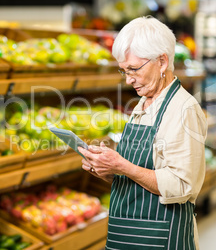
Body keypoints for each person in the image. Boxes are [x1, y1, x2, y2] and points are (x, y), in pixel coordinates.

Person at [78, 16, 207, 250]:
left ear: (162, 62)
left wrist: (123, 166)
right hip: (126, 234)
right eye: (124, 71)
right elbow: (142, 174)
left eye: (134, 69)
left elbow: (181, 185)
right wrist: (109, 170)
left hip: (161, 237)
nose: (129, 80)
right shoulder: (143, 104)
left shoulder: (183, 110)